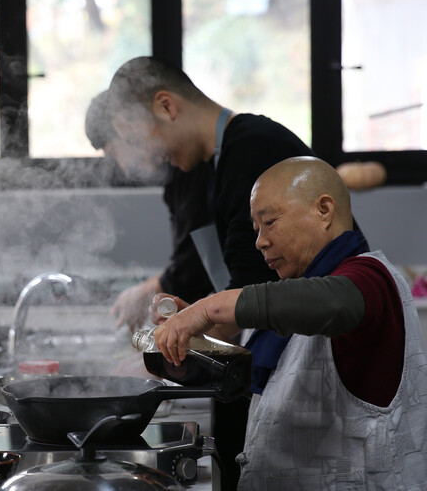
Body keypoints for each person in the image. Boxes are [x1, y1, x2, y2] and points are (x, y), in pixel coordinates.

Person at [151, 157, 427, 489]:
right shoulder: (295, 295)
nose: (260, 242)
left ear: (324, 210)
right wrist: (191, 333)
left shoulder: (369, 277)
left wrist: (209, 309)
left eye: (269, 222)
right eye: (256, 229)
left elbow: (335, 301)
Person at [106, 56, 316, 489]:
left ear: (166, 106)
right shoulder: (214, 163)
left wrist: (171, 348)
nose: (147, 155)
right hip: (264, 370)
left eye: (138, 138)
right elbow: (231, 289)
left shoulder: (254, 147)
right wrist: (183, 328)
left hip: (307, 370)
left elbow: (256, 293)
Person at [84, 90, 213, 330]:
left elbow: (196, 264)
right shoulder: (176, 176)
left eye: (115, 153)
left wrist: (152, 289)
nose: (123, 166)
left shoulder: (192, 166)